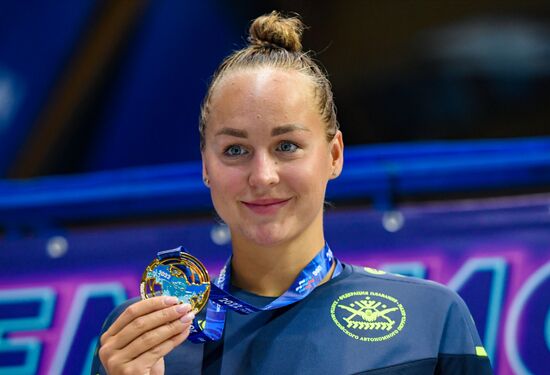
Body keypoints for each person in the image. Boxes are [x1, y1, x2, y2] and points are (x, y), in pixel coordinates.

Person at [91, 11, 493, 375]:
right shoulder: (142, 338)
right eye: (235, 150)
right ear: (205, 166)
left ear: (334, 155)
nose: (263, 176)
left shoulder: (430, 319)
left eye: (286, 146)